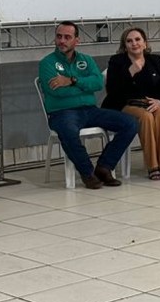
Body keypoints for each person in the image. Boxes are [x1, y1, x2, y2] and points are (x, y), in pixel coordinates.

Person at [39, 22, 138, 189]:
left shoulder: (86, 60)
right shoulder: (47, 63)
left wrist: (72, 80)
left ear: (77, 40)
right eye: (59, 36)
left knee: (130, 123)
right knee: (68, 131)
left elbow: (98, 83)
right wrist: (85, 87)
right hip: (61, 112)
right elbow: (57, 92)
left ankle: (104, 167)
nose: (62, 41)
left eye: (67, 37)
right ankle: (88, 173)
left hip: (90, 110)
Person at [102, 28, 160, 180]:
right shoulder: (117, 61)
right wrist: (130, 72)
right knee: (146, 117)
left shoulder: (155, 60)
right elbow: (113, 90)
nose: (134, 44)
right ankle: (153, 166)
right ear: (125, 46)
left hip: (151, 102)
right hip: (125, 104)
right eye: (129, 41)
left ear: (145, 43)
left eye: (137, 39)